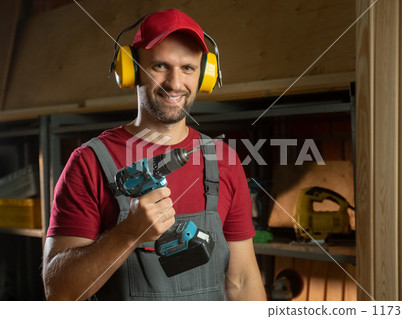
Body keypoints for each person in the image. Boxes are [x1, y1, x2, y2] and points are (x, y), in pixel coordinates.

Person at [42, 8, 266, 301]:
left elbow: (243, 281)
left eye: (188, 68)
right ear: (132, 69)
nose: (175, 83)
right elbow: (58, 293)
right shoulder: (89, 162)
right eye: (160, 66)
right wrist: (127, 233)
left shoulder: (224, 161)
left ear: (205, 74)